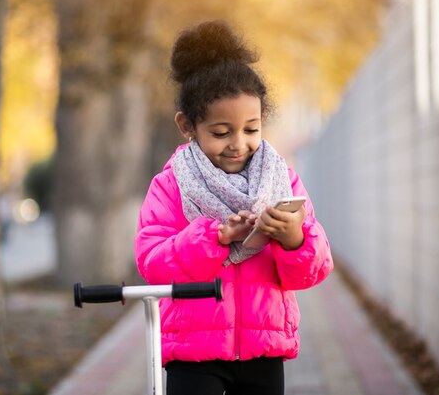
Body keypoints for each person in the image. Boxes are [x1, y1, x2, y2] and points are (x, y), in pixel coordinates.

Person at [134, 20, 333, 395]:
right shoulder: (171, 185)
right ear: (187, 126)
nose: (238, 144)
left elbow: (313, 269)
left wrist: (294, 239)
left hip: (264, 347)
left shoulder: (280, 179)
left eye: (252, 129)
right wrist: (215, 237)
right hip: (193, 352)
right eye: (221, 133)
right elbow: (151, 262)